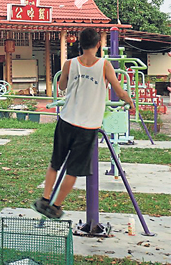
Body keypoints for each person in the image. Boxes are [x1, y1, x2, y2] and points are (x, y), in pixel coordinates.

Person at [33, 28, 135, 219]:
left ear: (79, 43)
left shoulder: (70, 64)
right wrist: (129, 101)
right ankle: (56, 206)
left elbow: (62, 86)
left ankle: (45, 199)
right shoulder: (104, 66)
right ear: (98, 44)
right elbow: (119, 91)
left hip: (66, 120)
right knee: (74, 169)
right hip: (88, 126)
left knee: (55, 162)